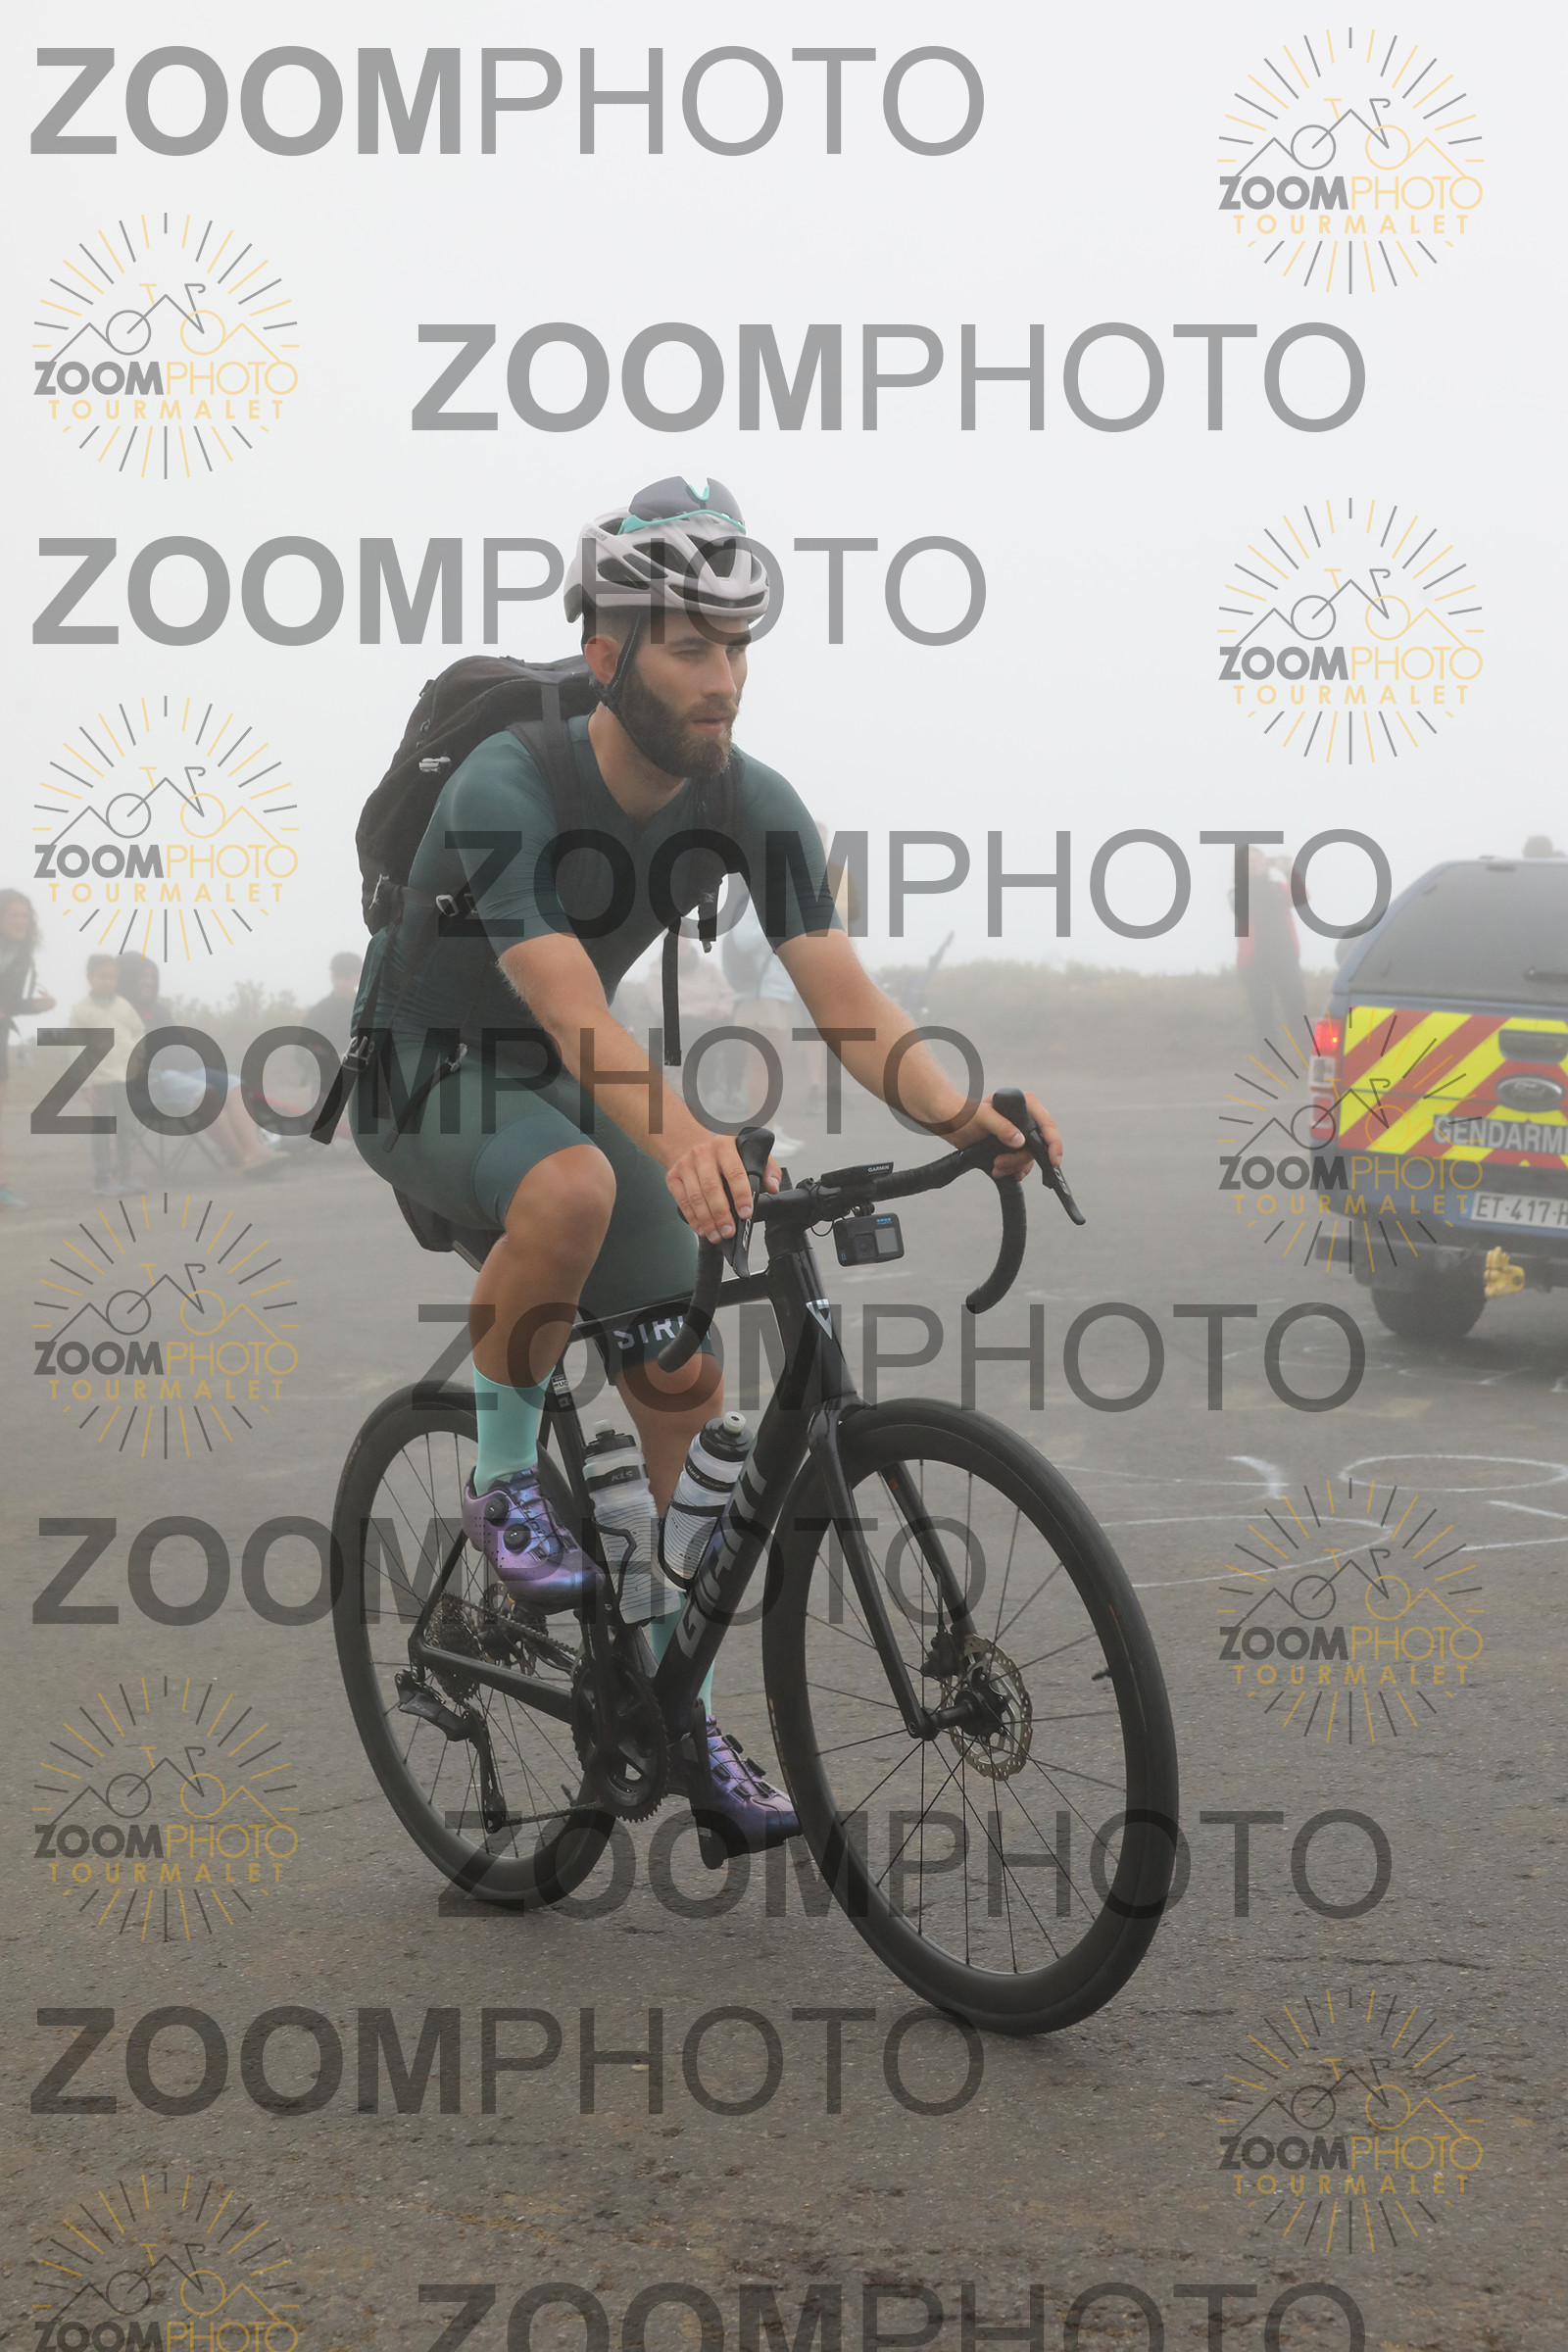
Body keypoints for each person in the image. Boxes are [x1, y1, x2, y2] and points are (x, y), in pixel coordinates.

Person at [348, 472, 1062, 1851]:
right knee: (573, 1186)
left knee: (681, 1382)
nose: (722, 676)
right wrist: (680, 1140)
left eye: (737, 646)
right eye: (689, 646)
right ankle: (505, 1485)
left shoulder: (752, 800)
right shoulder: (510, 780)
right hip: (423, 1063)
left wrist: (959, 1115)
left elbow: (847, 1001)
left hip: (563, 1073)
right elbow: (563, 995)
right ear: (606, 651)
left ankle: (683, 1718)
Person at [115, 954, 284, 1180]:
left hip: (177, 1073)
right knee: (204, 1092)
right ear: (128, 978)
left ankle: (254, 1149)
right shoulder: (116, 1011)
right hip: (144, 1081)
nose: (149, 982)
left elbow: (176, 1044)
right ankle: (241, 1156)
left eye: (152, 976)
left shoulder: (157, 1010)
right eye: (143, 976)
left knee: (235, 1085)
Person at [67, 955, 142, 1195]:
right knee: (102, 1129)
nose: (107, 981)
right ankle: (102, 1179)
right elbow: (76, 1048)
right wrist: (85, 1084)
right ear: (90, 978)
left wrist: (136, 1055)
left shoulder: (124, 1006)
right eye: (102, 976)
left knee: (125, 1126)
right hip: (98, 1079)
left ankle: (126, 1174)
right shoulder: (81, 1010)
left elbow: (139, 1031)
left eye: (112, 977)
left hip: (124, 1077)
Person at [0, 890, 55, 1207]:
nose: (21, 921)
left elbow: (10, 1006)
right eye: (14, 914)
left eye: (25, 915)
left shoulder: (22, 957)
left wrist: (40, 1006)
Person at [1233, 848, 1306, 1042]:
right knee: (1263, 1018)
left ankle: (1307, 1055)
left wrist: (1288, 871)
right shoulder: (1238, 892)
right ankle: (1270, 1058)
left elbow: (1301, 897)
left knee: (1298, 1010)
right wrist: (1267, 866)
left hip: (1286, 958)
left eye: (1257, 859)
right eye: (1247, 862)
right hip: (1253, 963)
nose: (1253, 863)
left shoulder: (1277, 888)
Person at [305, 952, 363, 1056]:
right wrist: (332, 1058)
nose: (341, 983)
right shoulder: (318, 1012)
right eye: (337, 977)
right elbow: (301, 1052)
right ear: (332, 977)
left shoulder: (366, 1011)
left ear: (358, 979)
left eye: (347, 978)